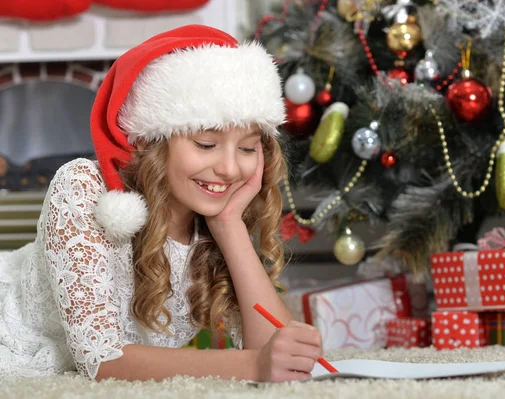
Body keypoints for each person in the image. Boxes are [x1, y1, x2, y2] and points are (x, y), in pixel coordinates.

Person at [0, 24, 324, 383]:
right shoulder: (84, 188)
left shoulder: (213, 215)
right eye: (206, 144)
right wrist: (252, 366)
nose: (230, 169)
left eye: (248, 148)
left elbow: (273, 354)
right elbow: (102, 360)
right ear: (154, 142)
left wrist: (229, 226)